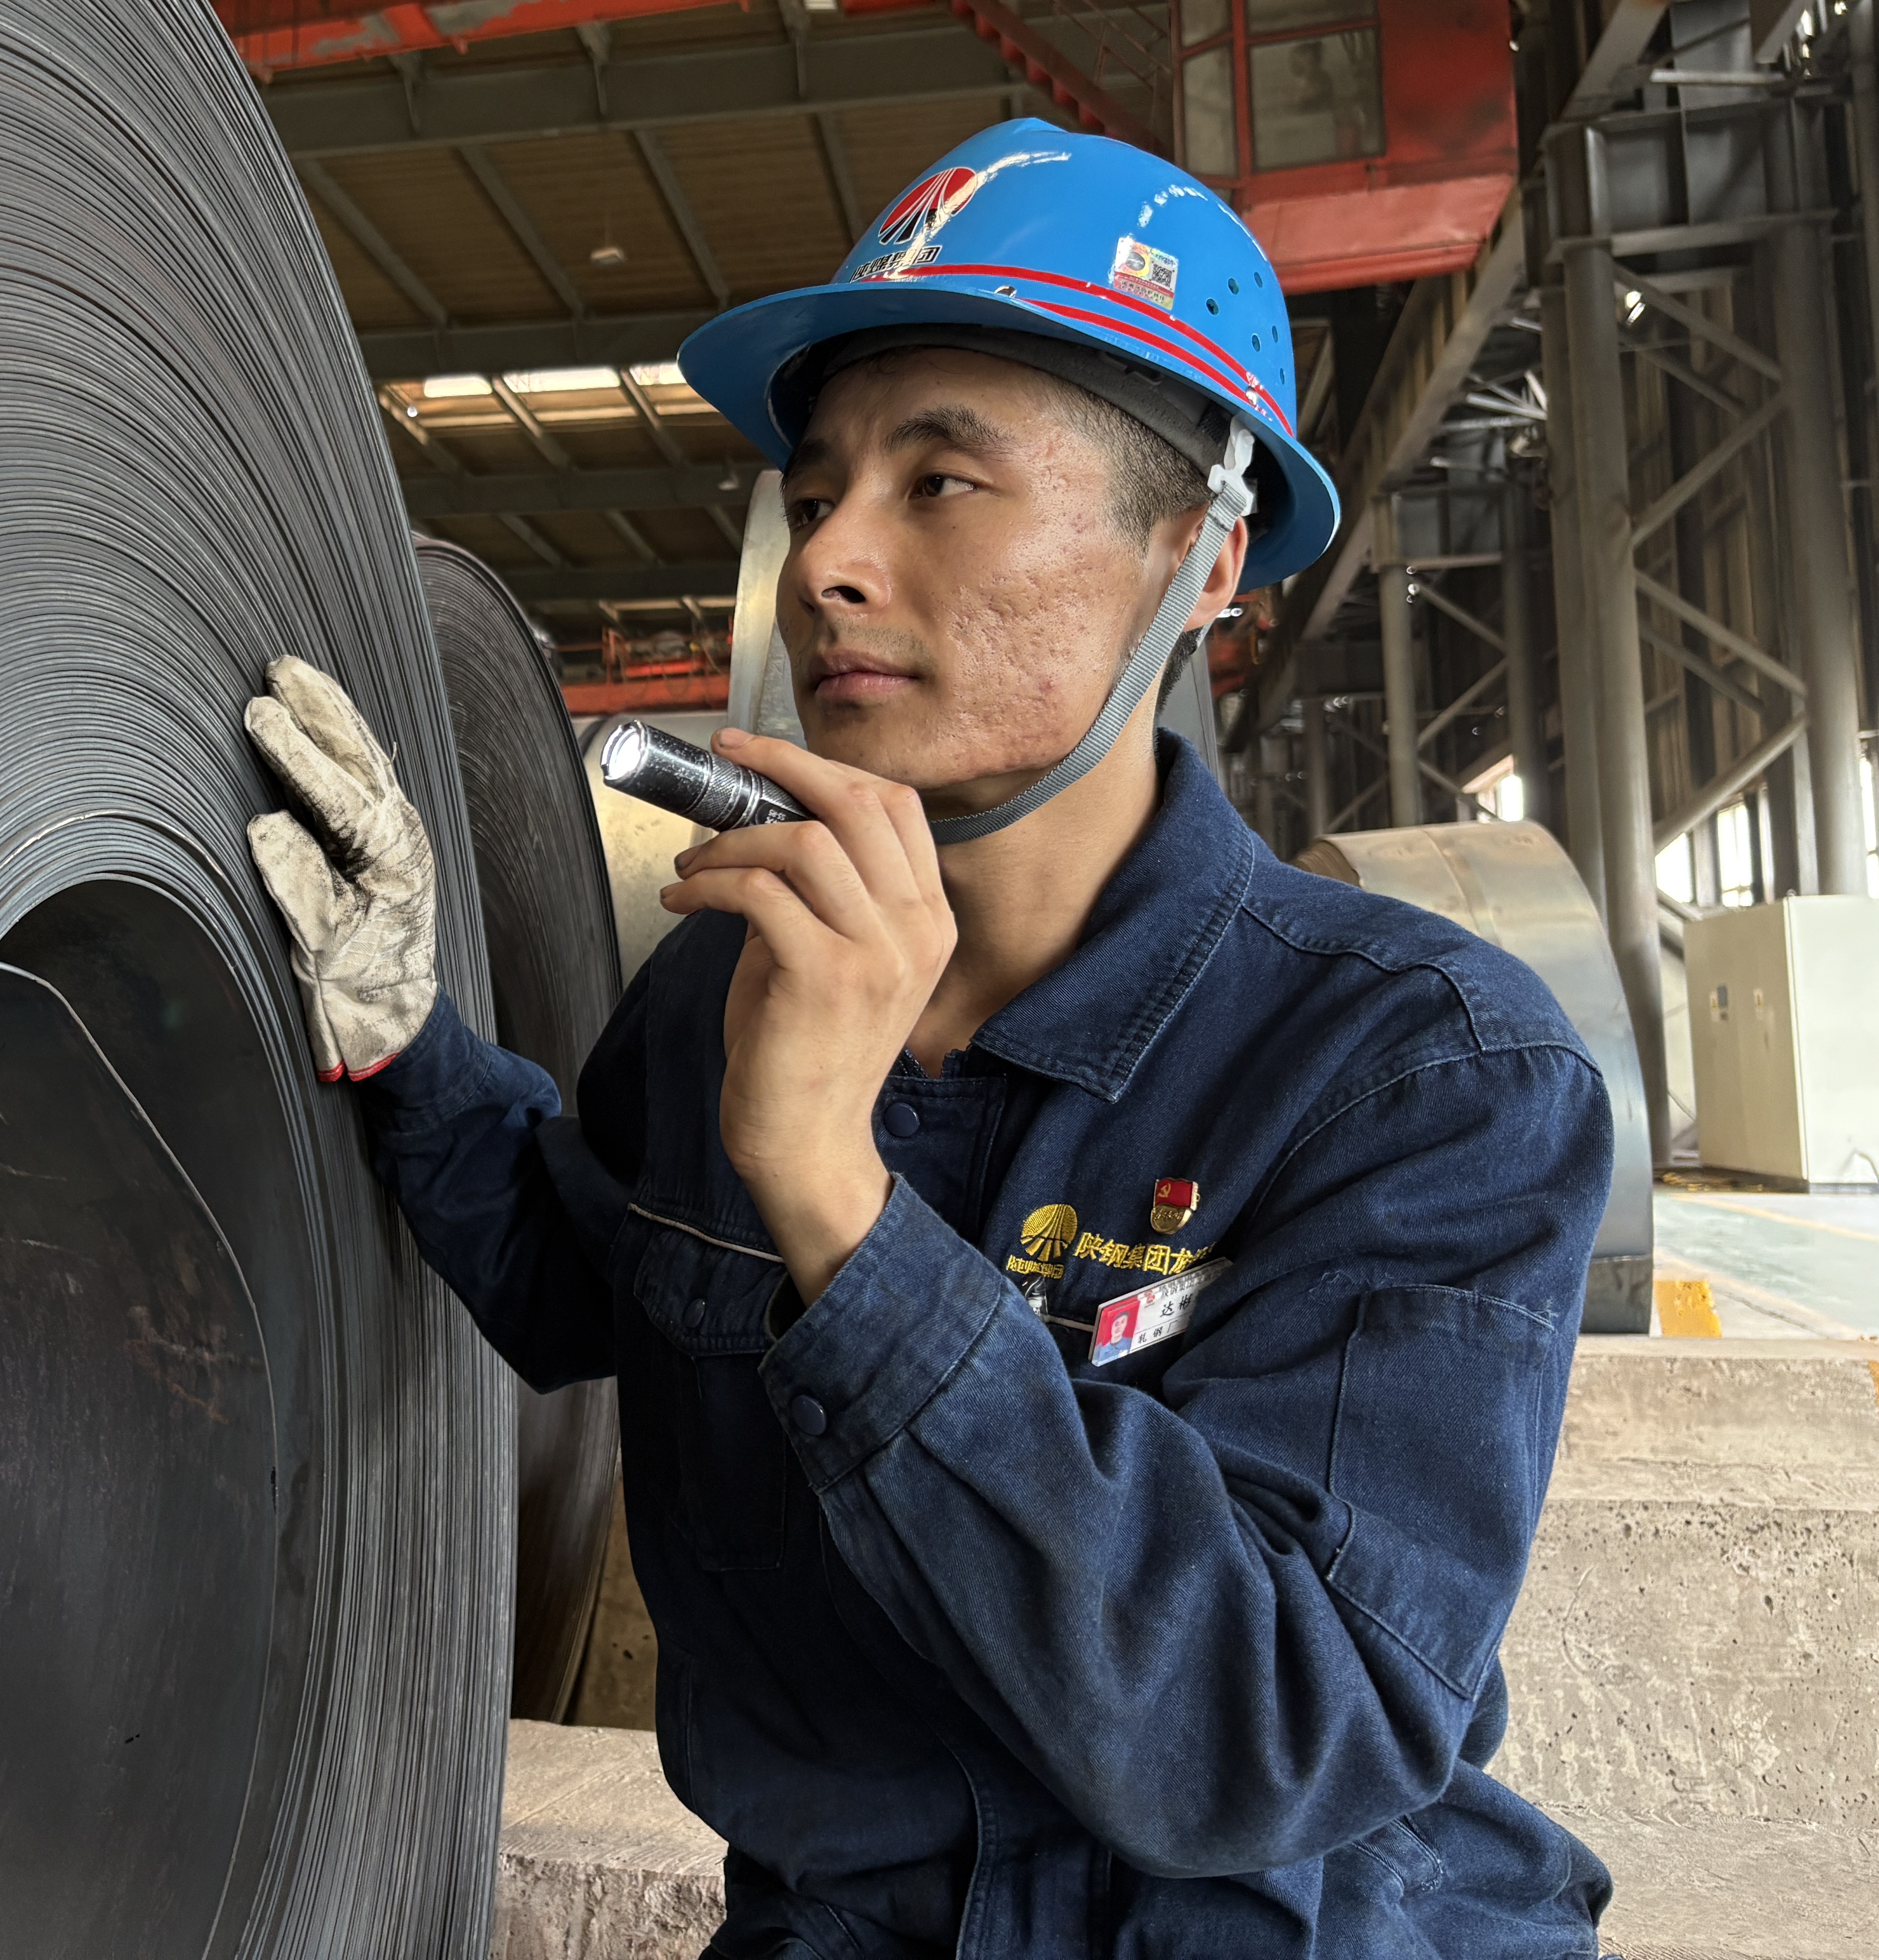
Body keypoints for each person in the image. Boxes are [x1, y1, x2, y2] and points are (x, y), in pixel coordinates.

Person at [241, 122, 1613, 1958]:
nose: (829, 567)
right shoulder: (724, 994)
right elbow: (582, 1279)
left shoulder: (1425, 1076)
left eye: (944, 482)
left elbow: (1275, 1727)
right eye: (817, 496)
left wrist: (841, 1208)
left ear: (1201, 558)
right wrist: (405, 1037)